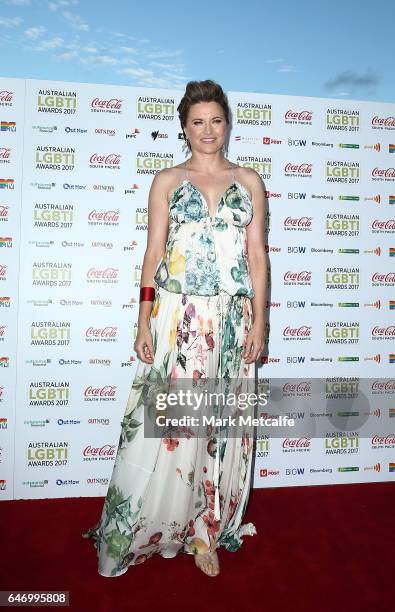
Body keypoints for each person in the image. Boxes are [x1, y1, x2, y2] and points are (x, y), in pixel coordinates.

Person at [82, 79, 267, 578]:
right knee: (172, 425)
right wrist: (143, 318)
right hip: (178, 321)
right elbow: (153, 254)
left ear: (227, 123)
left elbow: (257, 257)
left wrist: (261, 323)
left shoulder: (250, 181)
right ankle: (159, 522)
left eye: (216, 120)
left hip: (231, 321)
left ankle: (206, 530)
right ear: (184, 128)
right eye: (197, 122)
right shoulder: (167, 179)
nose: (208, 131)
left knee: (219, 427)